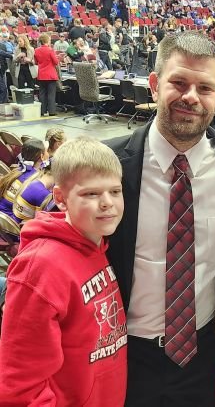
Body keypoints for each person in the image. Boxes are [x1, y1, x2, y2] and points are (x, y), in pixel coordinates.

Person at [105, 30, 215, 407]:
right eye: (178, 82)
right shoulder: (109, 165)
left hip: (206, 354)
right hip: (125, 354)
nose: (191, 96)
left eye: (204, 88)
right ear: (154, 84)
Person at [0, 137, 127, 406]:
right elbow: (20, 385)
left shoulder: (97, 244)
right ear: (60, 198)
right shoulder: (41, 267)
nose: (107, 203)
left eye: (115, 191)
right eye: (91, 194)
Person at [0, 138, 48, 223]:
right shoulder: (35, 182)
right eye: (46, 151)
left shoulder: (17, 170)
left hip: (4, 222)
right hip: (13, 228)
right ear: (42, 156)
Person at [12, 159, 55, 224]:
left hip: (14, 223)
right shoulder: (43, 193)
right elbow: (41, 223)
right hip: (20, 230)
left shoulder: (34, 180)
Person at [34, 33, 59, 116]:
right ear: (47, 40)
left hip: (41, 75)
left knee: (42, 94)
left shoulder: (36, 50)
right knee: (51, 94)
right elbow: (56, 62)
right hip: (51, 75)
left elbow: (36, 62)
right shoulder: (50, 50)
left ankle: (42, 111)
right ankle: (51, 111)